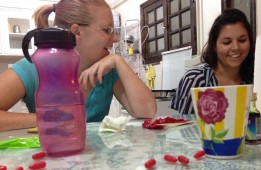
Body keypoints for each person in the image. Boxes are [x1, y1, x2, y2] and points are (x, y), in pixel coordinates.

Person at [0, 0, 156, 132]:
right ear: (77, 31)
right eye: (107, 30)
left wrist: (118, 61)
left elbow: (147, 112)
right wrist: (48, 118)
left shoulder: (108, 71)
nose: (115, 38)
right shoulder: (32, 68)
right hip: (52, 158)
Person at [170, 8, 255, 114]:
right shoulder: (195, 79)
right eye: (227, 42)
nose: (236, 47)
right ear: (214, 45)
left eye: (242, 40)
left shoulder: (256, 79)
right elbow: (183, 127)